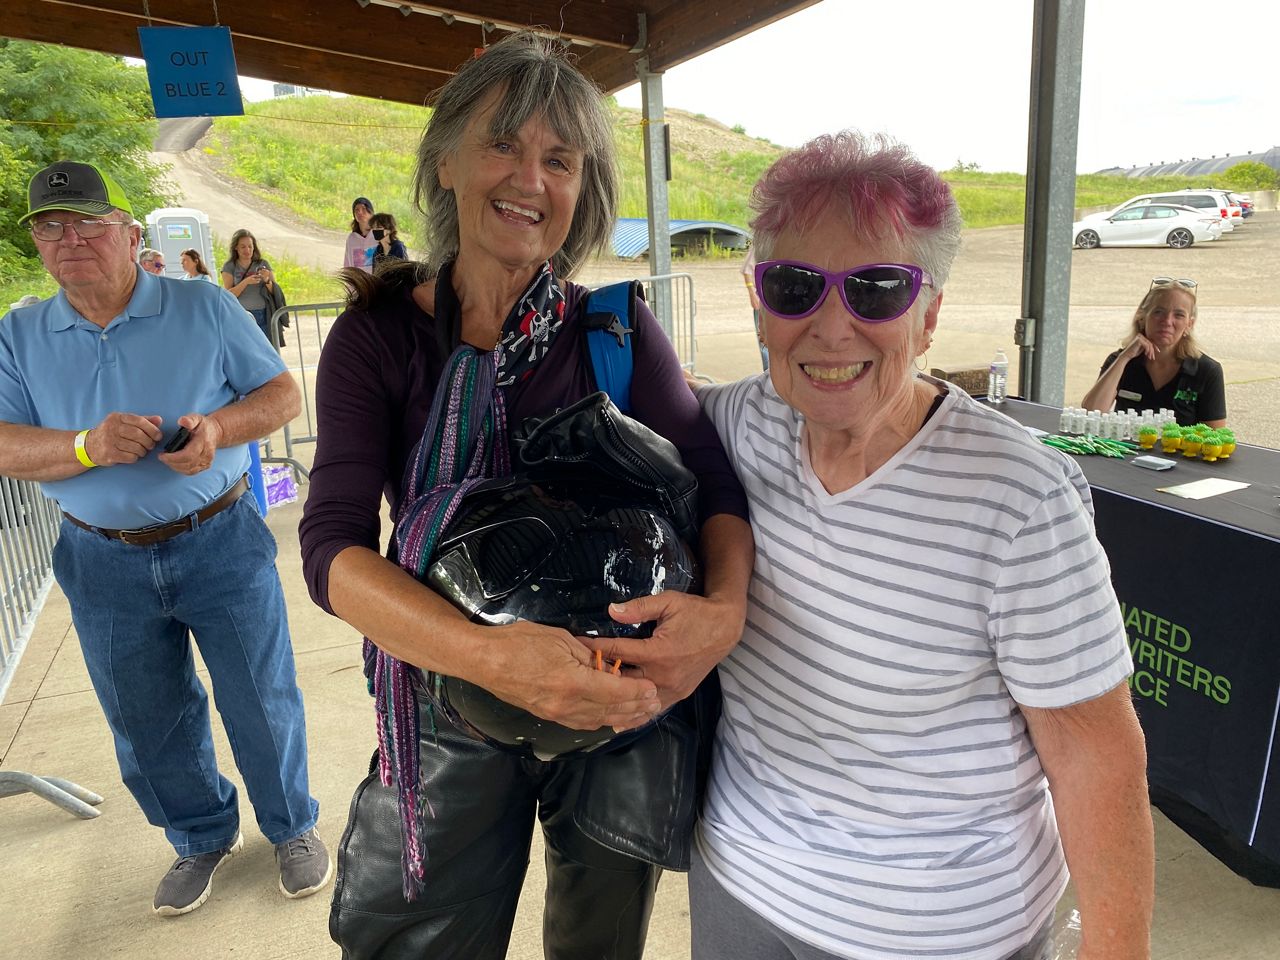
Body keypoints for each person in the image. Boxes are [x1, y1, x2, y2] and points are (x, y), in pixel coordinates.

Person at [298, 32, 752, 960]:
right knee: (420, 941)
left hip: (619, 709)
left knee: (597, 944)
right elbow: (332, 551)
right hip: (445, 694)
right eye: (503, 144)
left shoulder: (615, 331)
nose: (530, 179)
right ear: (446, 162)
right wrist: (488, 659)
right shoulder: (378, 339)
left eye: (560, 159)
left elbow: (714, 485)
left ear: (584, 190)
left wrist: (725, 614)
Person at [689, 133, 1154, 960]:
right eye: (795, 287)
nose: (832, 328)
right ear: (758, 303)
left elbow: (1095, 757)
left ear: (930, 315)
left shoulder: (1019, 499)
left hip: (939, 932)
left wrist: (1116, 949)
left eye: (876, 291)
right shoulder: (731, 427)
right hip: (742, 885)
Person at [0, 160, 332, 918]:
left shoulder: (203, 307)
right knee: (145, 714)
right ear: (37, 245)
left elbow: (280, 394)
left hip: (218, 539)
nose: (70, 239)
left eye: (89, 223)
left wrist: (218, 427)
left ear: (127, 234)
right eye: (51, 227)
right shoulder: (18, 334)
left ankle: (291, 827)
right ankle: (198, 835)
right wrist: (86, 447)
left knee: (260, 695)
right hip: (99, 554)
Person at [1081, 277, 1226, 427]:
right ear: (1142, 318)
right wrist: (1124, 358)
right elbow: (1091, 413)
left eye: (1179, 315)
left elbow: (1215, 438)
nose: (1167, 321)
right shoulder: (1120, 361)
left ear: (1190, 324)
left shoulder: (1207, 371)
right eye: (1158, 312)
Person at [220, 229, 284, 345]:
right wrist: (245, 282)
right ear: (236, 248)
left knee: (267, 347)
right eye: (243, 247)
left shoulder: (263, 263)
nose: (247, 250)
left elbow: (275, 291)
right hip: (242, 315)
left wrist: (266, 280)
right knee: (246, 347)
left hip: (265, 314)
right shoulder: (230, 266)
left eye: (250, 246)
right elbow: (229, 295)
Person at [741, 247, 767, 370]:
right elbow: (747, 271)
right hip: (762, 301)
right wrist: (751, 292)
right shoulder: (760, 245)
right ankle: (768, 372)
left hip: (779, 302)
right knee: (764, 338)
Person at [344, 196, 377, 273]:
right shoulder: (351, 239)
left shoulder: (379, 235)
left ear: (371, 212)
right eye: (357, 210)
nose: (360, 212)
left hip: (376, 283)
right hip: (357, 283)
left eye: (363, 209)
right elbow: (347, 265)